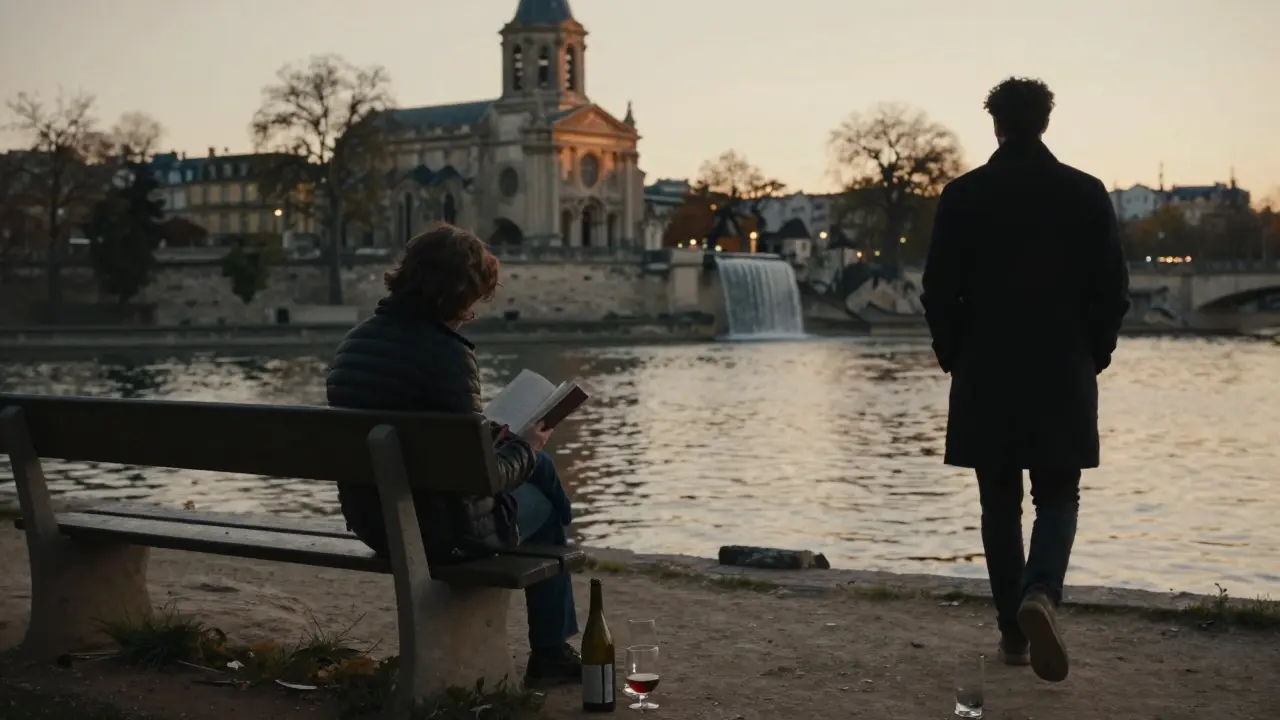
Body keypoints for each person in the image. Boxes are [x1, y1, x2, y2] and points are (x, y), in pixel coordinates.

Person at [920, 77, 1131, 683]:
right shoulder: (1085, 193)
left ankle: (1013, 635)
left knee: (999, 503)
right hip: (1062, 364)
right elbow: (1112, 291)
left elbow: (938, 289)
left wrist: (954, 354)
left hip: (987, 367)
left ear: (996, 125)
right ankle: (1042, 592)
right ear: (1045, 122)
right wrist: (1093, 354)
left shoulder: (962, 195)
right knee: (1058, 495)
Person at [326, 224, 581, 687]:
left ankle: (561, 533)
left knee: (538, 469)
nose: (471, 313)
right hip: (437, 533)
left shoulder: (355, 342)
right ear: (456, 294)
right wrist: (528, 442)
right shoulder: (447, 355)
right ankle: (551, 651)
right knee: (545, 496)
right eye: (473, 301)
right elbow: (480, 480)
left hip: (374, 519)